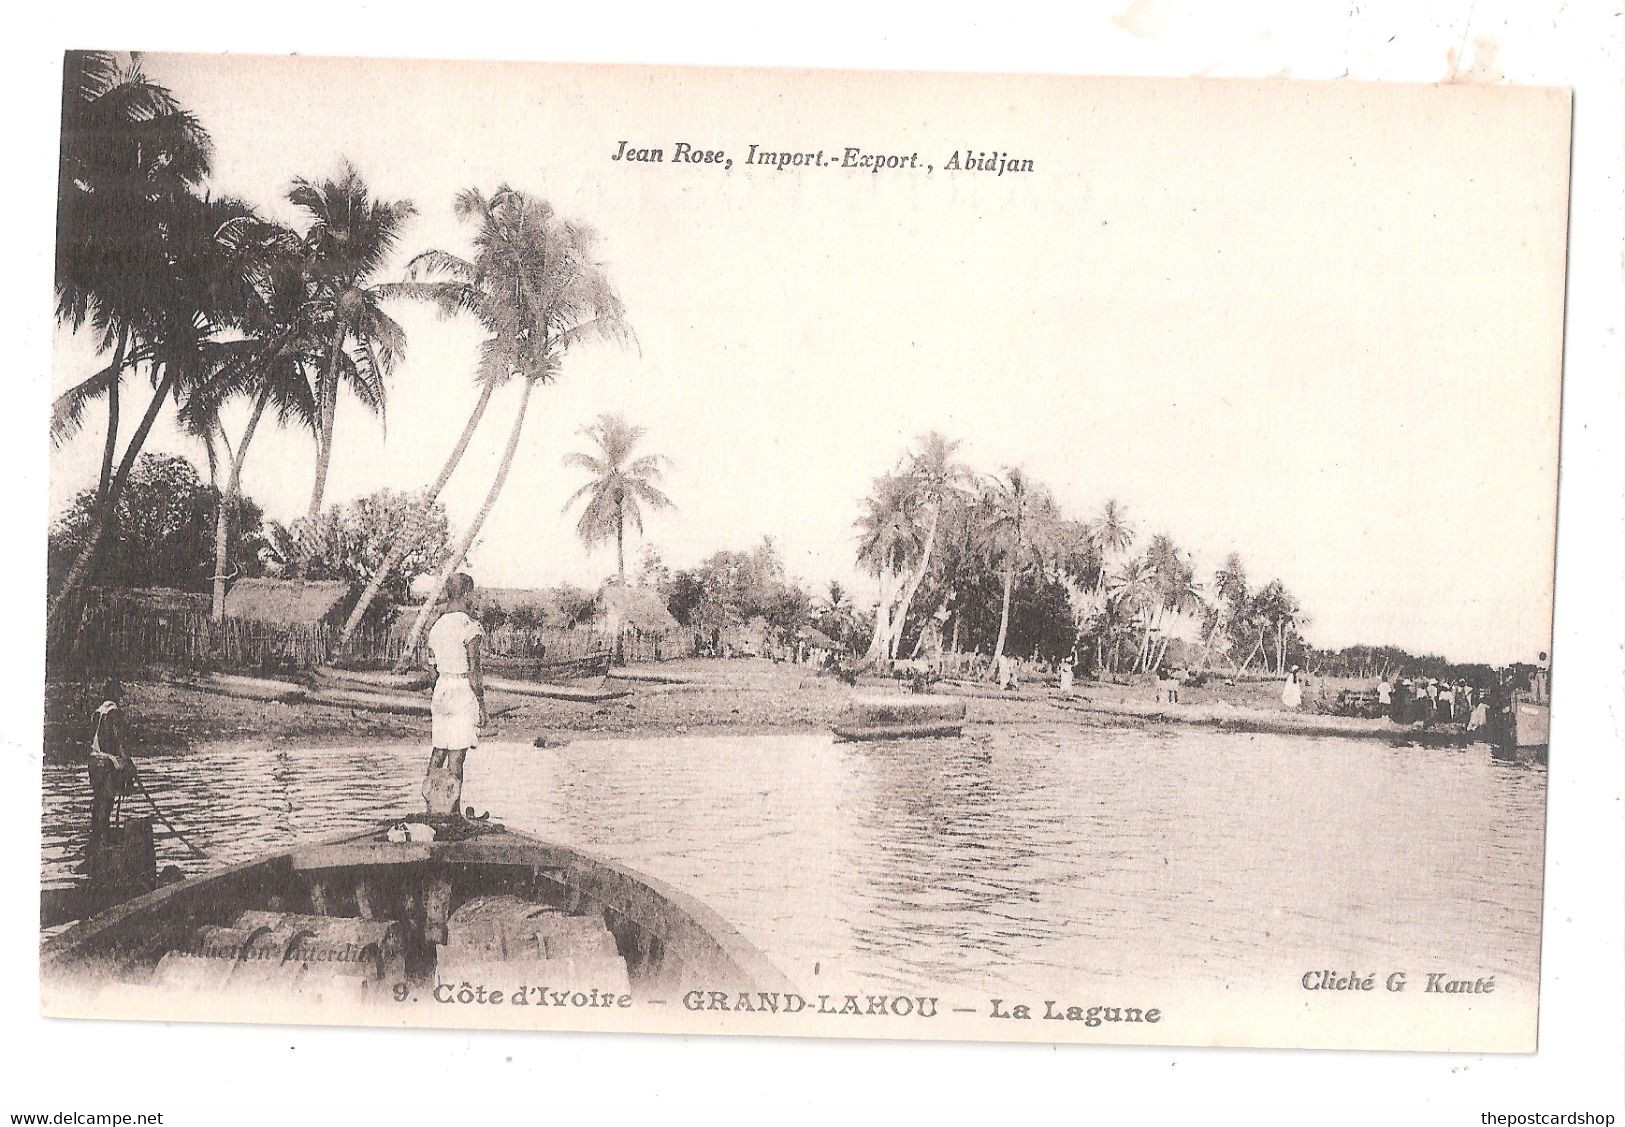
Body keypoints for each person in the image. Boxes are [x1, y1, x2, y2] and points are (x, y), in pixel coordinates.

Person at [422, 573, 488, 820]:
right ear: (467, 594)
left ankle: (431, 809)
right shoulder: (468, 627)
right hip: (461, 688)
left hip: (441, 687)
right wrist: (481, 705)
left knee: (439, 750)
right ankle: (453, 815)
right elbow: (475, 670)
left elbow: (431, 669)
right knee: (457, 756)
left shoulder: (436, 627)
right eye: (473, 594)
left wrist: (439, 691)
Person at [86, 679, 134, 873]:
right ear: (115, 696)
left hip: (93, 762)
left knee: (99, 802)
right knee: (107, 802)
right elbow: (119, 741)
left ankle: (97, 841)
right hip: (106, 763)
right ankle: (103, 844)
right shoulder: (114, 713)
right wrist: (129, 763)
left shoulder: (97, 713)